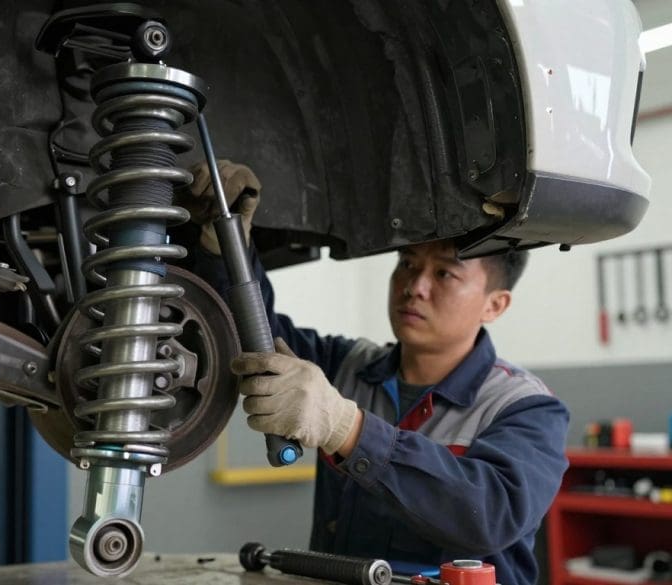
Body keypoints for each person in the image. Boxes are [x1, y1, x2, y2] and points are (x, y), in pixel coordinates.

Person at [180, 160, 569, 585]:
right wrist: (224, 240)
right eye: (407, 263)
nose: (414, 286)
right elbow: (248, 339)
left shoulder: (526, 408)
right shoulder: (348, 366)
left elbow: (491, 514)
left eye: (444, 273)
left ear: (495, 305)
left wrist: (347, 429)